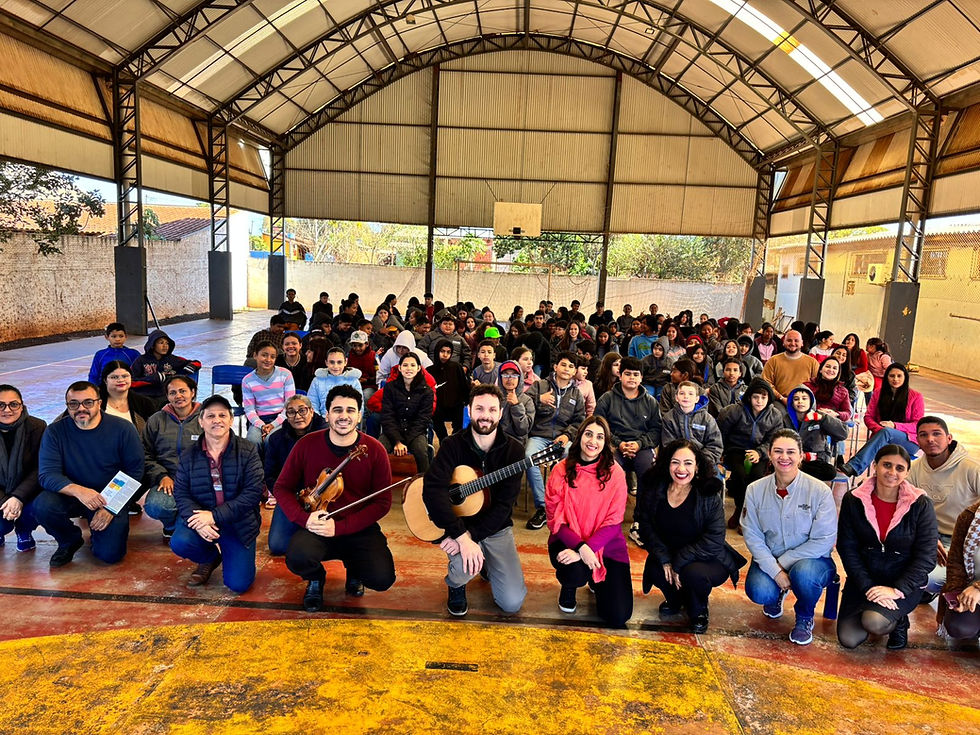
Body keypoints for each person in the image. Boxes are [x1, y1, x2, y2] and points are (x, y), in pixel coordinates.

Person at [274, 385, 395, 610]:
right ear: (327, 414)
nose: (344, 416)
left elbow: (382, 502)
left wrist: (341, 527)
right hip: (317, 523)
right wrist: (304, 519)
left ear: (359, 416)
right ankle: (316, 578)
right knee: (297, 556)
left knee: (382, 578)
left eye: (350, 410)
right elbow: (282, 487)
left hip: (358, 527)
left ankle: (355, 570)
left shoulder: (375, 449)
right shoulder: (306, 444)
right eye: (337, 410)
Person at [422, 385, 527, 616]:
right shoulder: (452, 445)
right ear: (469, 410)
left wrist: (471, 537)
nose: (485, 415)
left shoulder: (514, 452)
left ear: (500, 413)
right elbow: (433, 489)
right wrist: (460, 535)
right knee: (463, 567)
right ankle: (455, 584)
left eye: (492, 410)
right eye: (479, 408)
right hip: (459, 524)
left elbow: (504, 507)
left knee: (512, 603)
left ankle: (487, 563)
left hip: (496, 528)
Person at [636, 440, 747, 633]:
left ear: (697, 467)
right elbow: (645, 526)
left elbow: (714, 539)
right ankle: (675, 599)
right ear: (667, 464)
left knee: (693, 574)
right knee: (656, 569)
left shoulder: (708, 493)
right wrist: (664, 558)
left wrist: (678, 561)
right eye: (675, 462)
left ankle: (699, 607)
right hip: (670, 553)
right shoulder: (655, 488)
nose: (681, 469)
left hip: (706, 557)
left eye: (688, 463)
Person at [836, 444, 937, 650]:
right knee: (849, 639)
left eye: (900, 468)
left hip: (903, 583)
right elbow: (847, 548)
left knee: (874, 622)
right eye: (887, 465)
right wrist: (867, 586)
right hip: (864, 580)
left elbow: (926, 557)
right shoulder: (853, 500)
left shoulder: (921, 504)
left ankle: (899, 621)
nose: (892, 472)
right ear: (875, 466)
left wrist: (897, 590)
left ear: (907, 472)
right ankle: (880, 609)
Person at [742, 429, 838, 646]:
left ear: (801, 455)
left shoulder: (819, 491)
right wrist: (775, 571)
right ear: (769, 454)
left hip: (812, 560)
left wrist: (781, 564)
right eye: (778, 451)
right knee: (759, 591)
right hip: (772, 555)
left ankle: (805, 616)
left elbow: (823, 539)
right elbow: (752, 534)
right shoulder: (755, 490)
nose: (784, 457)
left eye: (791, 452)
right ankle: (777, 593)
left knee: (804, 575)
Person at [35, 381, 144, 567]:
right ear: (67, 406)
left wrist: (111, 507)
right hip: (71, 495)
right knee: (42, 506)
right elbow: (47, 474)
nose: (81, 408)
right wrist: (79, 491)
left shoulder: (123, 429)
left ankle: (102, 538)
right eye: (74, 404)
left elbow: (134, 471)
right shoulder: (55, 432)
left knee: (109, 555)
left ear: (99, 403)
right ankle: (69, 540)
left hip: (108, 497)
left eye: (88, 402)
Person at [544, 416, 632, 626]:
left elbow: (614, 522)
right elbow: (555, 520)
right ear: (580, 437)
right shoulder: (560, 470)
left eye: (600, 437)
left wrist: (589, 549)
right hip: (568, 541)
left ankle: (595, 579)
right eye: (588, 434)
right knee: (573, 572)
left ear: (606, 442)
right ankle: (570, 586)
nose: (593, 441)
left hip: (606, 545)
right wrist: (581, 548)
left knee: (618, 616)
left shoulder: (616, 473)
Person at [170, 395, 263, 592]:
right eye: (210, 416)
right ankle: (210, 558)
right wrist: (200, 522)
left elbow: (252, 493)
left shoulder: (247, 450)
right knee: (180, 542)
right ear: (201, 421)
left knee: (238, 584)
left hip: (238, 522)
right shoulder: (188, 455)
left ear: (231, 420)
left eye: (222, 415)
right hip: (203, 520)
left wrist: (214, 516)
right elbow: (181, 493)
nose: (217, 420)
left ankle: (233, 555)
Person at [908, 416, 980, 597]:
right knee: (898, 567)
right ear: (917, 440)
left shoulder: (972, 468)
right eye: (923, 435)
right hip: (927, 536)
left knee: (930, 579)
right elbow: (904, 507)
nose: (930, 439)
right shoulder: (914, 468)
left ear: (949, 438)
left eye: (936, 434)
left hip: (960, 541)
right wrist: (928, 537)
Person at [524, 352, 586, 530]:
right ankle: (543, 507)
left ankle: (561, 504)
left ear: (574, 371)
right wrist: (538, 399)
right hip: (539, 435)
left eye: (571, 366)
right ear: (555, 367)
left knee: (571, 457)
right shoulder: (540, 385)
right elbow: (523, 403)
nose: (566, 369)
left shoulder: (576, 394)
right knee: (529, 457)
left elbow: (579, 421)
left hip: (563, 438)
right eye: (563, 365)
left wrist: (567, 435)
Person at [717, 378, 784, 528]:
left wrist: (760, 453)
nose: (759, 401)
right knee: (740, 475)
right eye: (755, 397)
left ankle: (750, 512)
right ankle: (740, 509)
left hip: (759, 452)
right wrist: (722, 451)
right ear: (749, 397)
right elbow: (721, 433)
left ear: (769, 398)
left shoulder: (775, 415)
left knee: (756, 477)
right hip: (736, 450)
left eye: (763, 397)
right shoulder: (734, 411)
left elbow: (773, 440)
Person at [142, 376, 202, 540]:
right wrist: (162, 476)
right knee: (156, 506)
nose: (178, 396)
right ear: (167, 396)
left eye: (183, 391)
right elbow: (145, 454)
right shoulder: (156, 420)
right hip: (168, 480)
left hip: (199, 480)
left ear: (192, 392)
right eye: (173, 393)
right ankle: (171, 525)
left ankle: (184, 523)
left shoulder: (206, 418)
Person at [265, 395, 327, 555]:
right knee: (278, 546)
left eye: (302, 410)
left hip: (322, 497)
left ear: (311, 411)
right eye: (291, 412)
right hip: (291, 497)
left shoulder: (328, 434)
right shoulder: (276, 439)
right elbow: (270, 474)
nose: (297, 416)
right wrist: (287, 497)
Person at [842, 363, 924, 477]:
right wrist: (879, 429)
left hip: (908, 441)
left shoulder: (916, 396)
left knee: (887, 433)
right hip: (882, 437)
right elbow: (868, 417)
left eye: (899, 376)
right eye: (892, 376)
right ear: (886, 377)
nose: (895, 379)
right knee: (885, 434)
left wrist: (894, 426)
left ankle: (854, 466)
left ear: (905, 377)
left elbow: (918, 424)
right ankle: (874, 480)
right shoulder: (878, 393)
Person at [594, 356, 661, 489]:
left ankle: (642, 503)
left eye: (636, 374)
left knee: (649, 472)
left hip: (641, 447)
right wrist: (618, 443)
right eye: (627, 374)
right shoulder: (606, 399)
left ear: (641, 377)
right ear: (620, 376)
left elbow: (655, 430)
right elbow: (599, 426)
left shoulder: (651, 402)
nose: (632, 378)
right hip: (612, 446)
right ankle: (613, 502)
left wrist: (639, 444)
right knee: (609, 469)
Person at [0, 385, 46, 552]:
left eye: (13, 404)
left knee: (42, 505)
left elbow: (40, 467)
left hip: (28, 491)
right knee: (2, 526)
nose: (7, 410)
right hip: (1, 493)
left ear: (21, 405)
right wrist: (5, 501)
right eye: (1, 405)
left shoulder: (37, 427)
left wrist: (18, 497)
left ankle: (24, 529)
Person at [379, 351, 433, 473]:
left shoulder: (427, 392)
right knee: (379, 450)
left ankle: (423, 481)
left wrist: (405, 441)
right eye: (405, 365)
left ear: (419, 368)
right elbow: (387, 416)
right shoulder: (390, 388)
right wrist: (397, 441)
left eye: (413, 365)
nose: (409, 368)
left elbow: (423, 420)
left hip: (415, 432)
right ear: (399, 368)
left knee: (420, 451)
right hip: (392, 431)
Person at [784, 385, 848, 481]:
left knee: (830, 471)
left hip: (816, 461)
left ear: (811, 401)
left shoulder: (819, 416)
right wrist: (798, 456)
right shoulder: (785, 419)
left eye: (804, 398)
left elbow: (843, 433)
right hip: (792, 460)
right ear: (791, 403)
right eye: (796, 399)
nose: (800, 401)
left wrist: (823, 419)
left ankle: (799, 477)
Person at [938, 499, 980, 642]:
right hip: (970, 586)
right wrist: (958, 597)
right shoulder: (969, 516)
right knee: (958, 626)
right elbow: (955, 563)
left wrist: (979, 588)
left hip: (976, 588)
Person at [242, 341, 296, 445]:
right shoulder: (247, 380)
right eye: (264, 355)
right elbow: (249, 410)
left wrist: (273, 424)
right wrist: (262, 425)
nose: (268, 360)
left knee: (271, 439)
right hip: (259, 419)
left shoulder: (285, 374)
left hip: (282, 418)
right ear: (255, 355)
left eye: (272, 357)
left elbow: (290, 405)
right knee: (252, 440)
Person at [129, 329, 201, 407]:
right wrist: (150, 379)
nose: (165, 346)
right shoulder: (141, 360)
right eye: (161, 343)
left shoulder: (173, 359)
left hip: (166, 396)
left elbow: (196, 363)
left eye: (167, 343)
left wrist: (192, 366)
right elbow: (130, 381)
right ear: (152, 345)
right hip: (145, 396)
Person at [661, 381, 722, 466]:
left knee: (714, 475)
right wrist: (683, 461)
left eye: (690, 394)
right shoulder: (668, 418)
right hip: (678, 461)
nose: (686, 396)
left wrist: (700, 462)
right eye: (682, 393)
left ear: (697, 399)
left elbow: (715, 446)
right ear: (676, 398)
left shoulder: (707, 419)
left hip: (703, 461)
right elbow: (668, 445)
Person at [99, 360, 156, 437]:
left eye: (125, 376)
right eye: (114, 377)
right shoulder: (95, 402)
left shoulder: (144, 403)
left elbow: (154, 431)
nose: (121, 380)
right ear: (105, 380)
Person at [761, 330, 819, 405]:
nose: (792, 343)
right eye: (789, 340)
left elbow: (817, 385)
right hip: (779, 401)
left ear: (802, 343)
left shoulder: (812, 362)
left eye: (796, 341)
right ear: (783, 342)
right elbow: (766, 383)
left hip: (805, 402)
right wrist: (781, 398)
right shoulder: (773, 361)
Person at [308, 346, 363, 416]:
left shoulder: (354, 381)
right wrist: (319, 420)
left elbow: (359, 406)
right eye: (332, 362)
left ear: (345, 362)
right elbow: (312, 404)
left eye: (339, 362)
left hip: (347, 419)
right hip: (323, 420)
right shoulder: (317, 381)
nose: (335, 366)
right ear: (326, 362)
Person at [496, 360, 534, 444]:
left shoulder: (527, 400)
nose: (509, 379)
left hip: (516, 442)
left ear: (520, 378)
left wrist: (516, 406)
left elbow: (523, 430)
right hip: (495, 441)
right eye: (505, 375)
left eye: (514, 375)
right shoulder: (495, 397)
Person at [804, 357, 852, 422]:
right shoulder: (807, 386)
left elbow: (848, 413)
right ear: (820, 370)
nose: (831, 370)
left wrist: (836, 414)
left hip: (830, 423)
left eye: (834, 368)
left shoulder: (843, 391)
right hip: (809, 421)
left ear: (838, 373)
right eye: (828, 366)